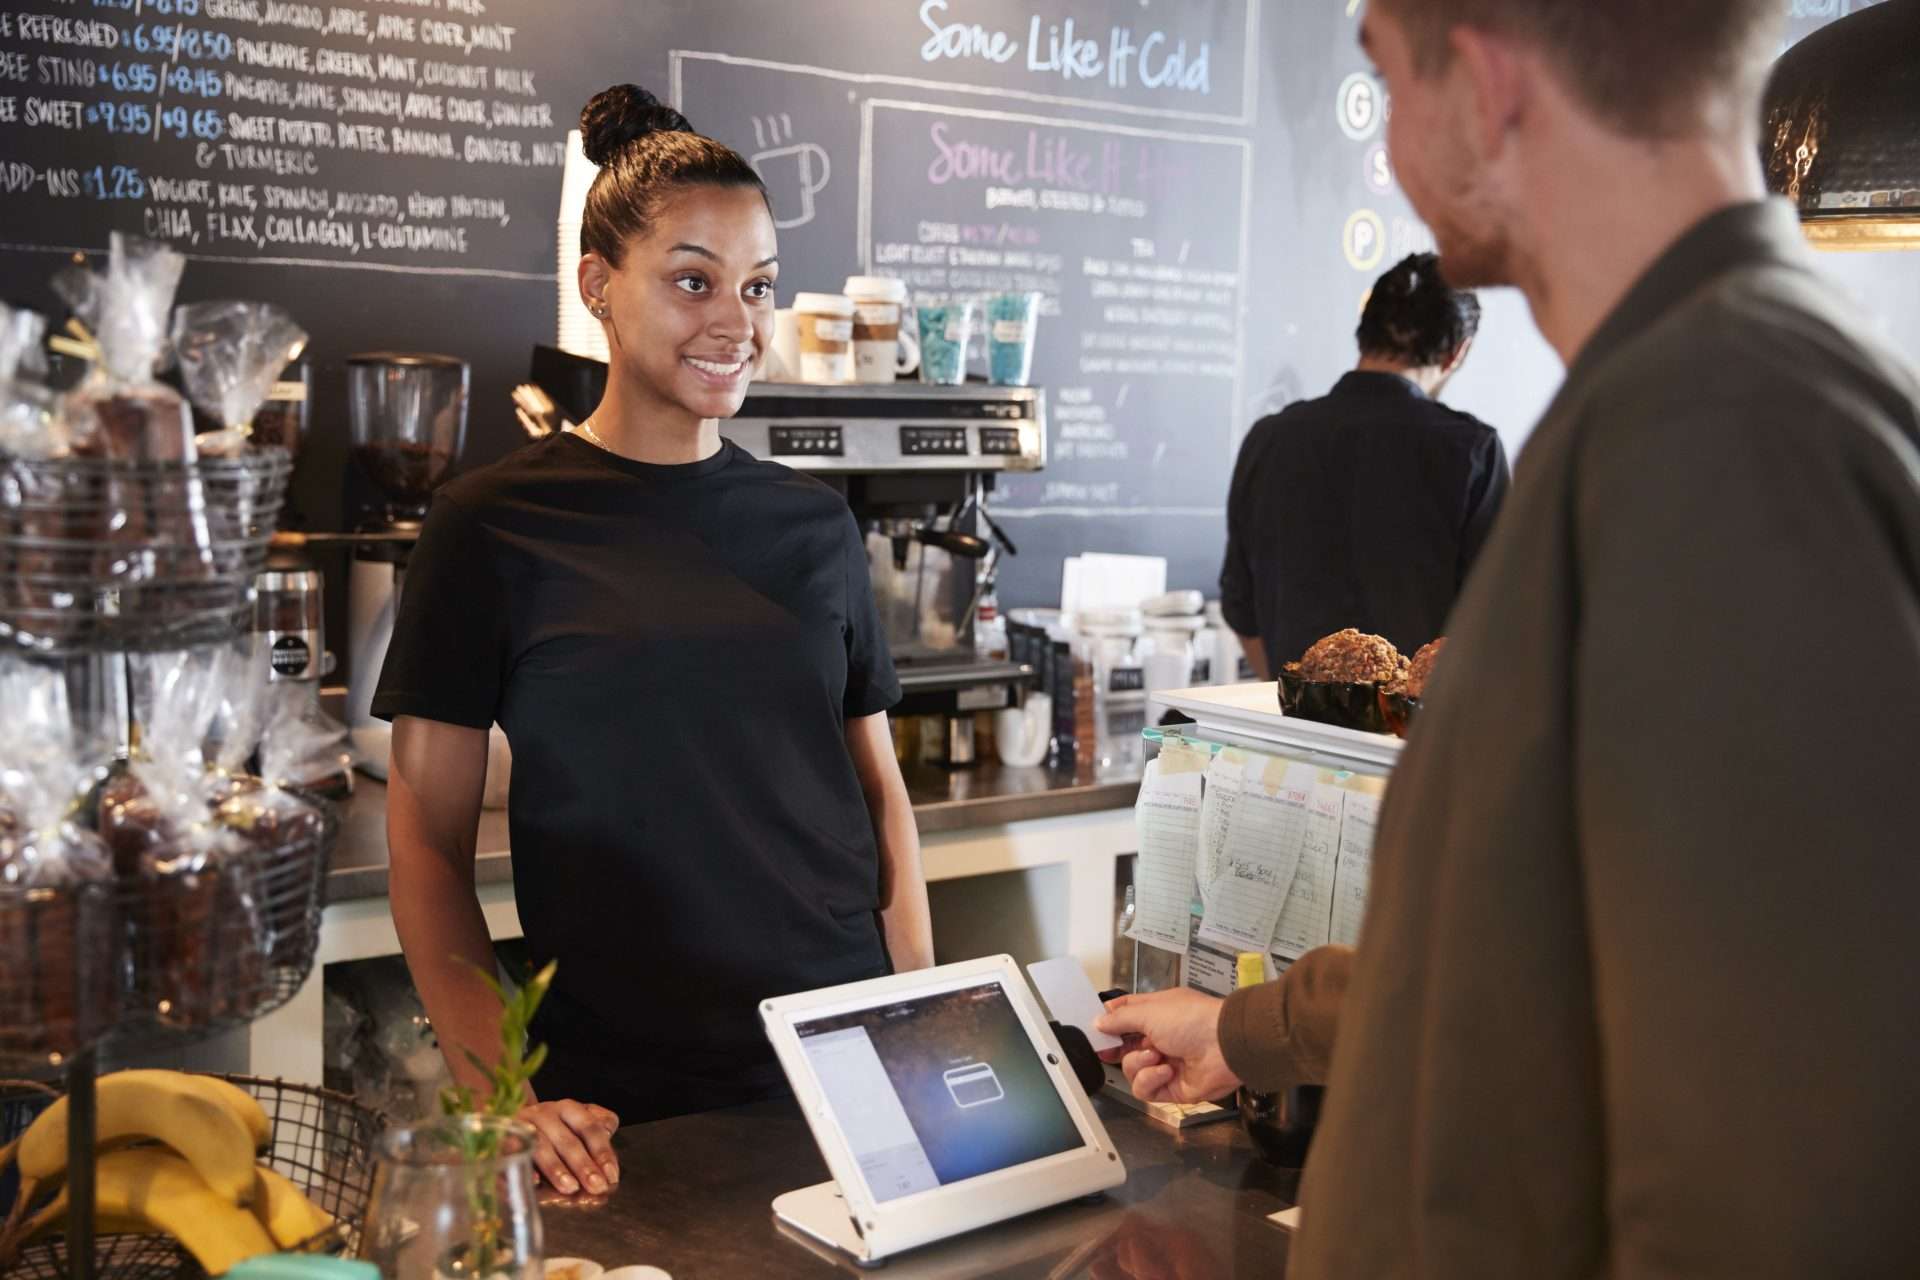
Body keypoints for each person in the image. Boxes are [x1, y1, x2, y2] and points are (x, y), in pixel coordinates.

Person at [1103, 0, 1920, 1274]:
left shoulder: (1724, 442)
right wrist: (1245, 1029)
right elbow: (1511, 946)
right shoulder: (1664, 410)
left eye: (1383, 79)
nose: (1389, 147)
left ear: (1481, 87)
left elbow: (1787, 1162)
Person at [375, 85, 934, 1196]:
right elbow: (426, 846)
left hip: (837, 1066)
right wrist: (508, 1097)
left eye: (758, 285)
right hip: (615, 1104)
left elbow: (878, 799)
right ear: (599, 287)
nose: (737, 320)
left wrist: (912, 1022)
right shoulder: (490, 524)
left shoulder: (817, 526)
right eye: (692, 281)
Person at [1220, 253, 1507, 679]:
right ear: (1456, 352)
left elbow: (1240, 606)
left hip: (1289, 732)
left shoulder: (1270, 438)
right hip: (1412, 737)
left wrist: (1296, 697)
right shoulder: (1471, 450)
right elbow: (1497, 617)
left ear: (1363, 332)